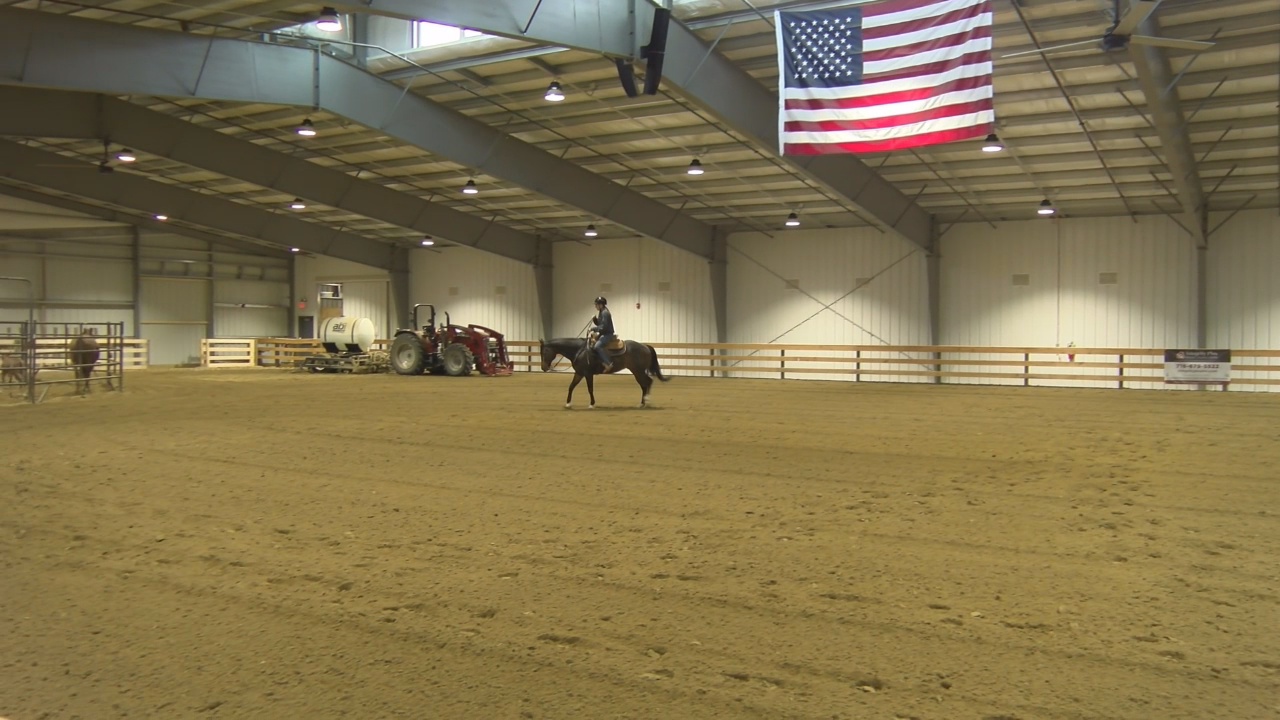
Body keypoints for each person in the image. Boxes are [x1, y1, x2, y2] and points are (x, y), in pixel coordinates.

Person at [590, 296, 616, 371]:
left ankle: (608, 363)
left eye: (596, 304)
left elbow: (604, 327)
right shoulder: (601, 312)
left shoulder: (605, 313)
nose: (595, 306)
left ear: (601, 305)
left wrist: (593, 329)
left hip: (608, 334)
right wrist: (595, 320)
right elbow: (600, 324)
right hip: (604, 333)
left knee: (597, 346)